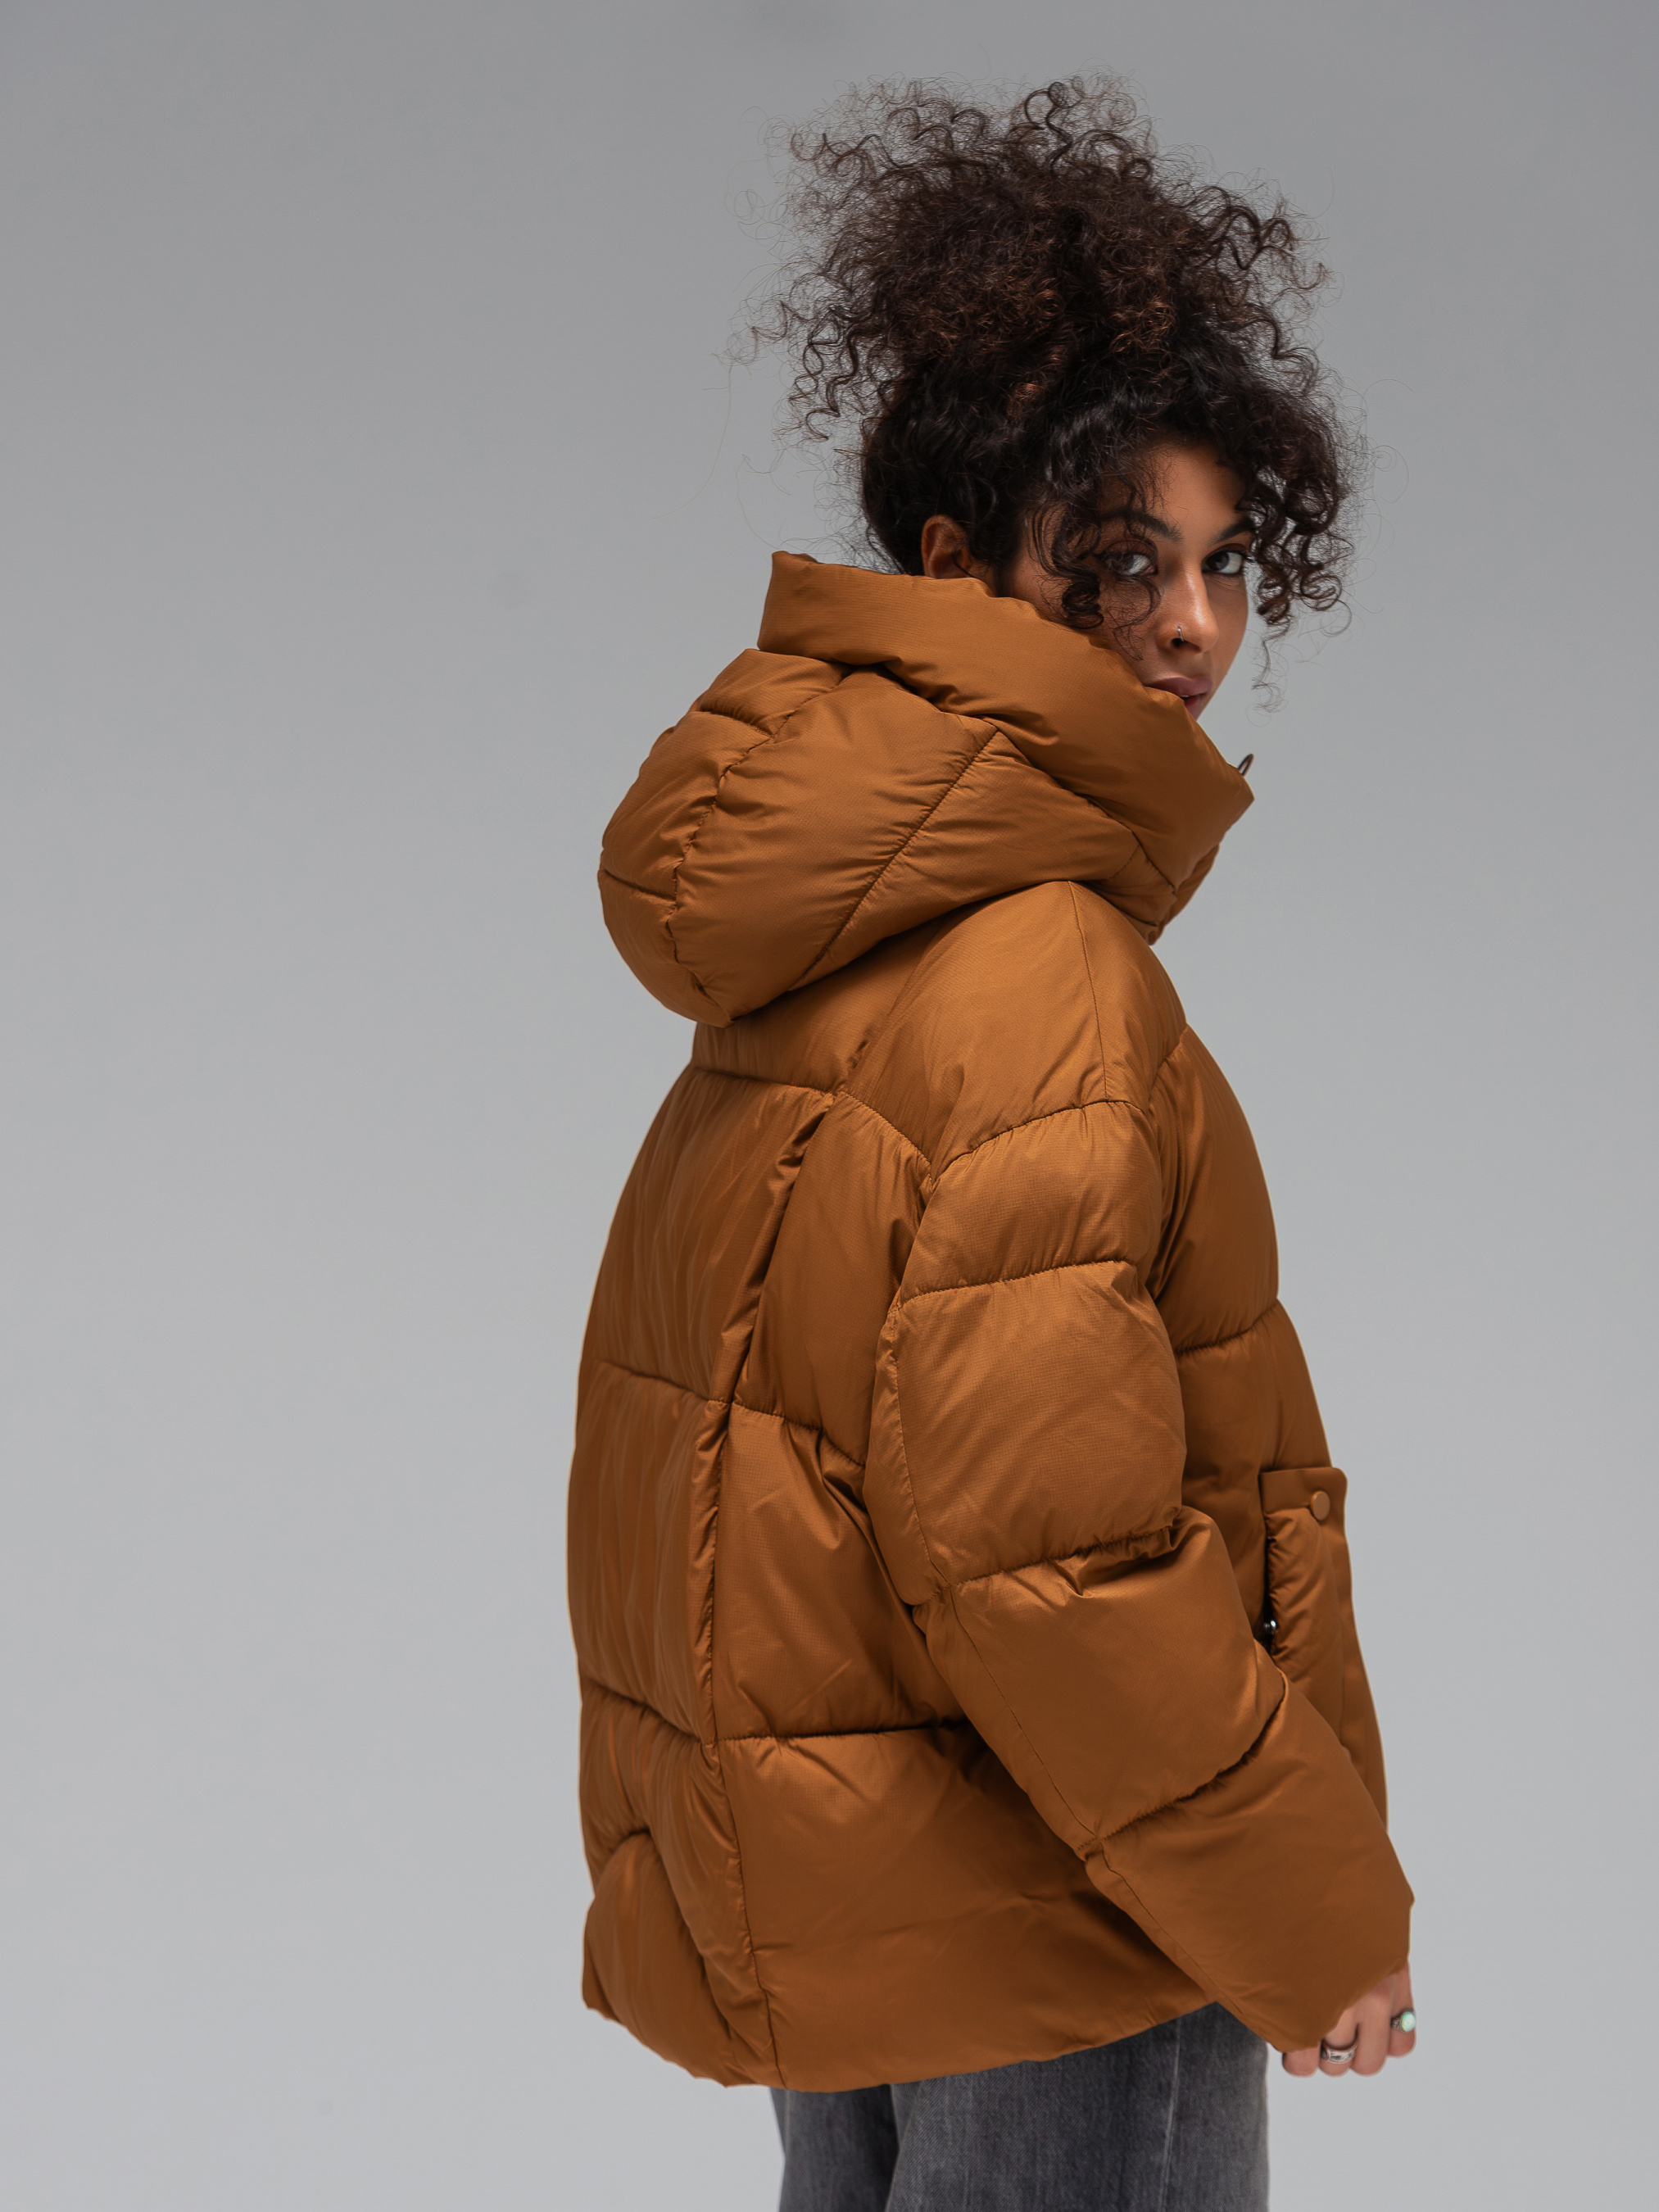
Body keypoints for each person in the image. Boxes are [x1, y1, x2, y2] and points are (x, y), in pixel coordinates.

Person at [569, 78, 1416, 2210]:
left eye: (1225, 564)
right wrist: (1306, 1905)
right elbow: (1058, 1565)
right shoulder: (1040, 968)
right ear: (954, 562)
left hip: (863, 1908)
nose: (1194, 624)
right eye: (1120, 561)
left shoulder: (814, 948)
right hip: (1064, 1917)